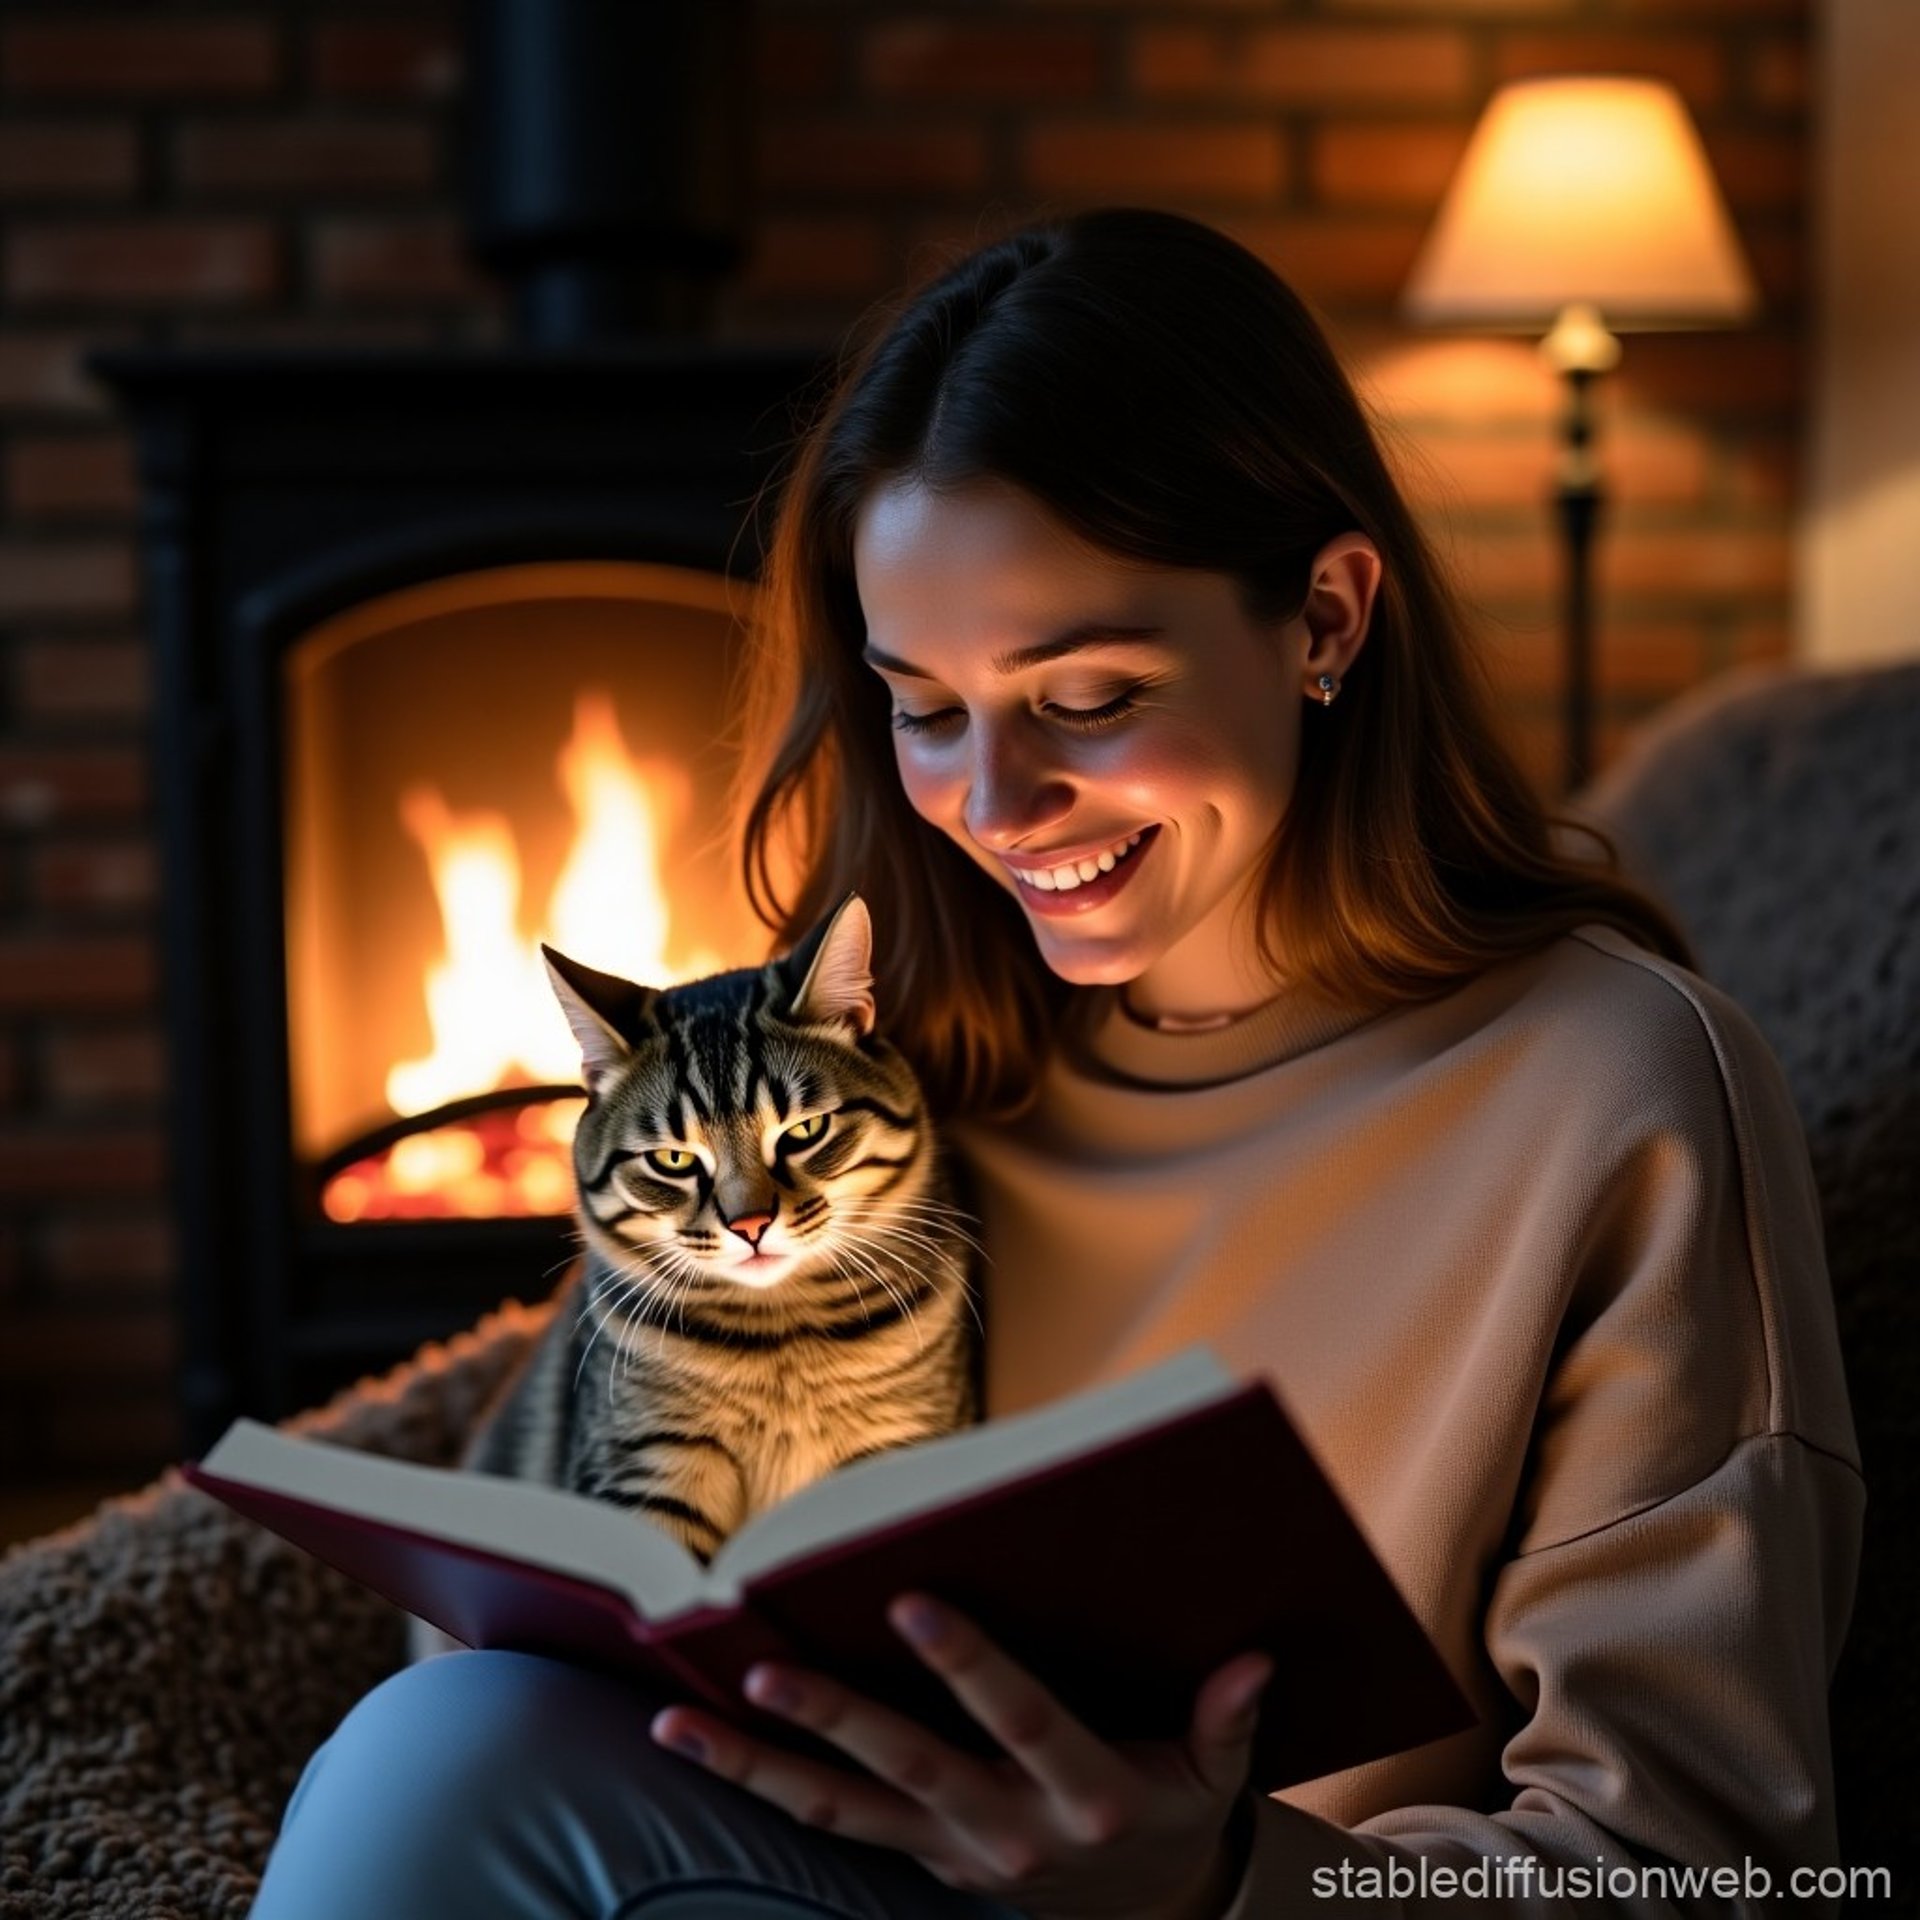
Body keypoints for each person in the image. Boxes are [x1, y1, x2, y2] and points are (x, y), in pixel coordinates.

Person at [248, 207, 1864, 1919]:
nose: (995, 813)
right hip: (823, 1863)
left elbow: (1712, 1877)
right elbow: (534, 1559)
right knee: (458, 1742)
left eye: (1087, 696)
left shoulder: (1614, 1090)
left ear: (1324, 618)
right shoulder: (891, 1062)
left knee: (447, 1772)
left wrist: (1223, 1875)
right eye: (924, 707)